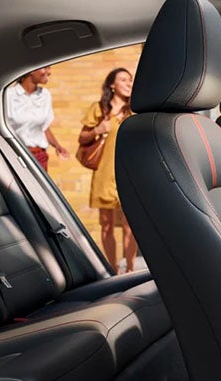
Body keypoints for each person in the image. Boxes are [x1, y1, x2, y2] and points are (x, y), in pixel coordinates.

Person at [79, 68, 137, 273]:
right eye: (123, 80)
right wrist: (97, 130)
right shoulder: (99, 109)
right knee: (106, 224)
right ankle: (113, 270)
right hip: (105, 174)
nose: (129, 83)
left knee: (132, 224)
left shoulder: (135, 109)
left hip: (130, 172)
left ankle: (129, 268)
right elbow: (83, 138)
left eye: (130, 80)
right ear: (112, 85)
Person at [5, 66, 69, 171]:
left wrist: (58, 146)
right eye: (46, 68)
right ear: (31, 70)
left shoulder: (45, 95)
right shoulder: (9, 95)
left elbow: (44, 128)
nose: (49, 72)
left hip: (39, 157)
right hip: (16, 156)